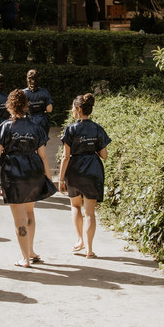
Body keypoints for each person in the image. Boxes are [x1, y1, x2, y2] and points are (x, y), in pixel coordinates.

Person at [0, 88, 57, 268]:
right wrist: (48, 178)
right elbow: (43, 155)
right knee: (29, 212)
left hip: (14, 174)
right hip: (34, 172)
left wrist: (5, 149)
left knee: (19, 219)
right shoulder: (35, 126)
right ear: (26, 105)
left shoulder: (5, 126)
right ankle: (31, 250)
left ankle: (25, 258)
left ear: (10, 106)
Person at [58, 93, 112, 259]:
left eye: (73, 107)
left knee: (75, 206)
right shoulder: (97, 128)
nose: (72, 110)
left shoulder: (70, 129)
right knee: (90, 213)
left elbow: (65, 157)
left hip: (74, 169)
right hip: (93, 170)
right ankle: (89, 250)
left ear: (79, 109)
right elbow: (104, 155)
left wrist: (60, 179)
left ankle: (79, 239)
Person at [22, 69, 53, 140]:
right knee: (41, 143)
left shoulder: (23, 93)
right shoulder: (44, 92)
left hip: (28, 121)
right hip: (42, 121)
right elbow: (49, 109)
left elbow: (21, 108)